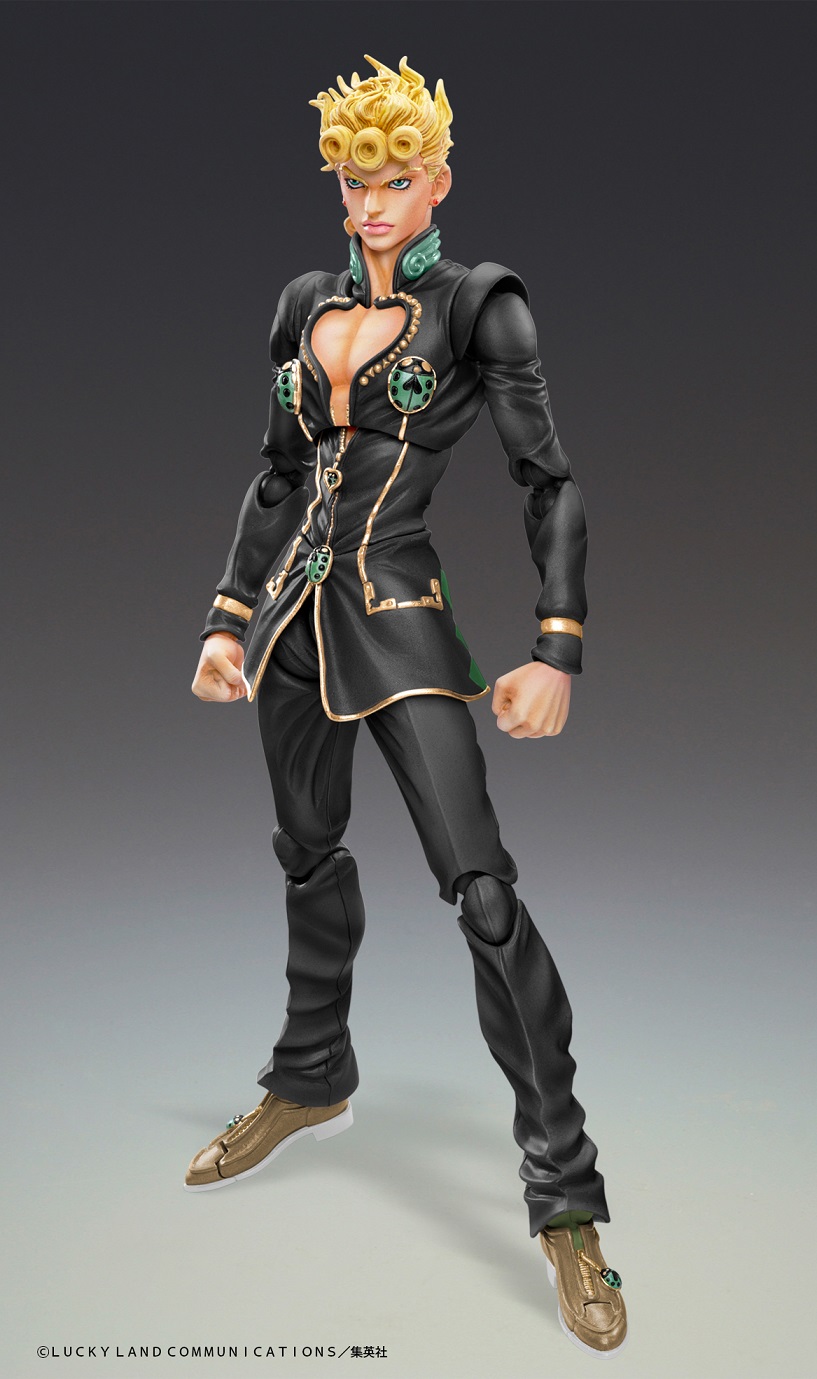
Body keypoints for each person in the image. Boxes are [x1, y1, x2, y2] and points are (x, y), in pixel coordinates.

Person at [184, 56, 627, 1357]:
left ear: (436, 180)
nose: (371, 201)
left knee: (480, 894)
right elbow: (279, 477)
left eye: (395, 178)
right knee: (306, 854)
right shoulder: (303, 306)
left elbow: (549, 482)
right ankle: (312, 1074)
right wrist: (226, 617)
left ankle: (566, 1201)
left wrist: (555, 646)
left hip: (399, 619)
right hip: (293, 630)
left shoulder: (479, 307)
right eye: (352, 179)